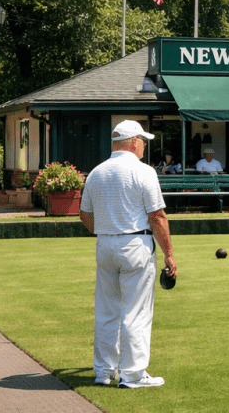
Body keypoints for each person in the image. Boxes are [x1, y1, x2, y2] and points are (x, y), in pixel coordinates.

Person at [78, 120, 176, 389]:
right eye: (142, 140)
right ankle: (133, 375)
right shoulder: (144, 171)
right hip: (135, 246)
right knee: (136, 312)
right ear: (133, 142)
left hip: (105, 245)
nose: (144, 145)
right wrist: (169, 254)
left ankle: (104, 371)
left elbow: (85, 215)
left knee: (107, 311)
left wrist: (107, 232)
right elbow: (157, 216)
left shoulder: (97, 172)